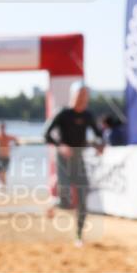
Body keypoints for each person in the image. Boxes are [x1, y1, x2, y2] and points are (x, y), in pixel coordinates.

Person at [44, 82, 104, 246]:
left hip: (79, 158)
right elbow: (46, 134)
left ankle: (79, 236)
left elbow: (99, 134)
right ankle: (54, 203)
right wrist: (60, 146)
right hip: (63, 158)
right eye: (80, 95)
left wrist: (100, 144)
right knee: (66, 200)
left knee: (83, 197)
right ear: (73, 95)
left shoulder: (88, 115)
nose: (83, 99)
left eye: (86, 96)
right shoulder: (63, 113)